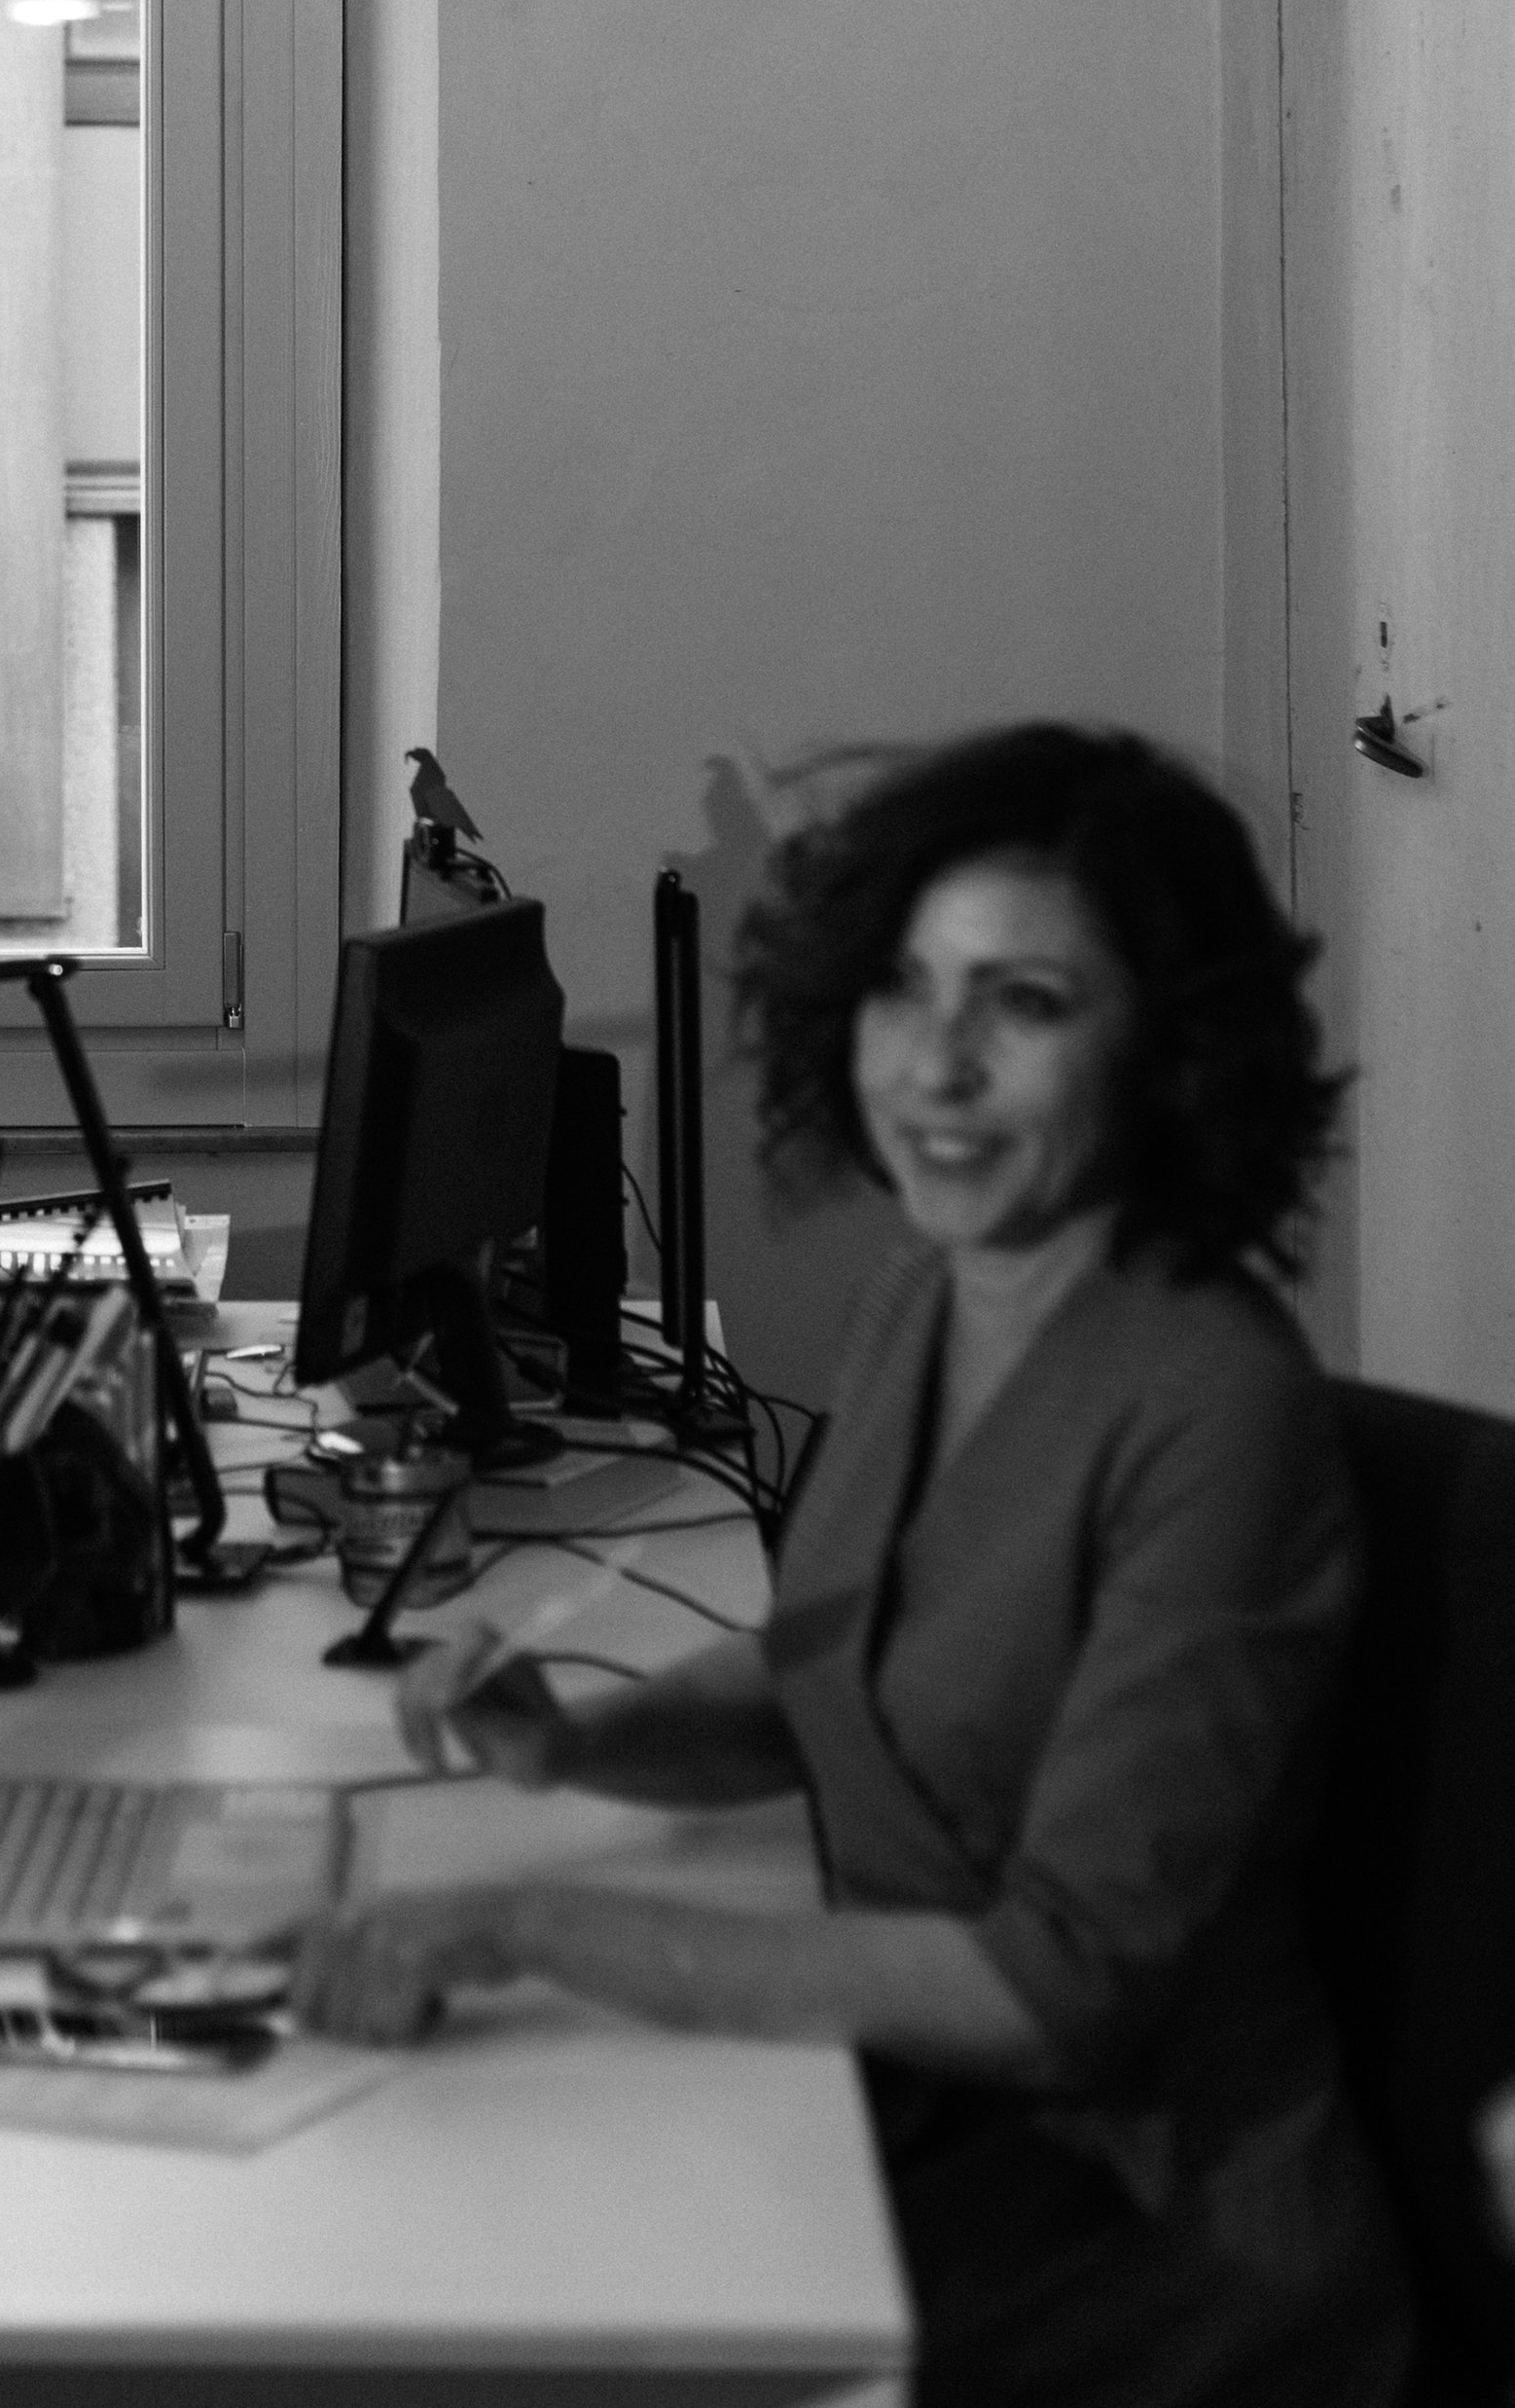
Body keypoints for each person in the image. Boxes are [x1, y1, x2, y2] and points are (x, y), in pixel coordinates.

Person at [292, 723, 1415, 2408]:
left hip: (1158, 2242)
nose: (935, 1066)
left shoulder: (1214, 1405)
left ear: (1169, 1047)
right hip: (906, 2121)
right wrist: (582, 1739)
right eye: (905, 987)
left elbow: (1055, 1990)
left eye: (1024, 1004)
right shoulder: (927, 1294)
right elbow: (826, 1674)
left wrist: (529, 1922)